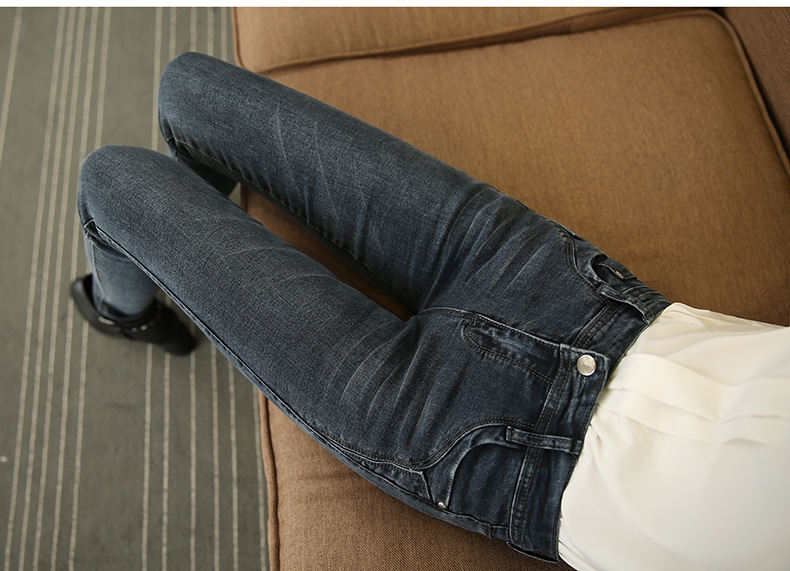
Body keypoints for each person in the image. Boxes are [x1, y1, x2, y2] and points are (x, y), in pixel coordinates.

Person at [71, 52, 789, 570]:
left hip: (498, 452)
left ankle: (123, 309)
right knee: (190, 88)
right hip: (583, 298)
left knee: (113, 179)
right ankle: (183, 232)